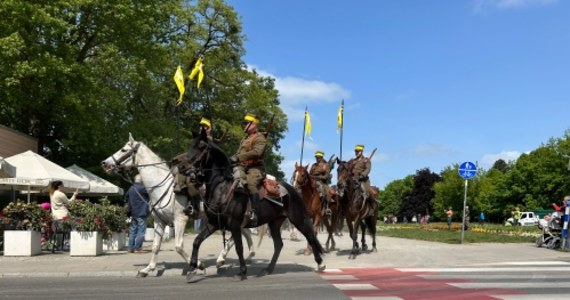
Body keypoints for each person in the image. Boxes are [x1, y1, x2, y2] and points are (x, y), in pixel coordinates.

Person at [230, 113, 266, 226]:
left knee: (250, 184)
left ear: (254, 124)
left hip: (254, 168)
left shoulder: (260, 137)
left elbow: (257, 152)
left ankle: (255, 212)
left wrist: (239, 157)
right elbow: (238, 153)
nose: (244, 125)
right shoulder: (245, 139)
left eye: (246, 123)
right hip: (242, 167)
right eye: (243, 123)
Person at [182, 117, 212, 218]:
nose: (201, 128)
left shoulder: (209, 140)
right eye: (200, 126)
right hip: (198, 167)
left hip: (207, 169)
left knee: (191, 182)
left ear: (209, 129)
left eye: (204, 126)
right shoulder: (198, 139)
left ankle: (194, 208)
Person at [49, 180, 78, 250]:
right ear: (59, 186)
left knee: (58, 231)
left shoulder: (52, 194)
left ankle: (59, 246)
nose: (63, 187)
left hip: (56, 216)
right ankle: (76, 245)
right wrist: (74, 195)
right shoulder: (60, 194)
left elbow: (57, 204)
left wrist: (62, 204)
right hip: (64, 216)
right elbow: (70, 202)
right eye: (62, 185)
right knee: (75, 227)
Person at [127, 174, 150, 254]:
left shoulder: (131, 188)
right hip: (142, 212)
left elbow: (126, 198)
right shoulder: (143, 188)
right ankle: (138, 248)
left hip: (133, 212)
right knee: (141, 231)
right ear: (142, 180)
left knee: (133, 231)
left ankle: (130, 248)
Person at [309, 150, 332, 215]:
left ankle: (326, 207)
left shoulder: (325, 165)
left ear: (321, 157)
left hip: (321, 182)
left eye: (318, 157)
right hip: (312, 181)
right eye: (316, 157)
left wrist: (318, 178)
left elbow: (326, 176)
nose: (317, 158)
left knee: (323, 191)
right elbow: (310, 173)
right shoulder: (313, 165)